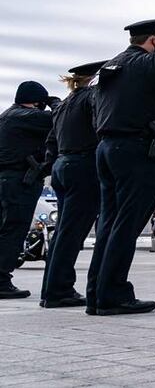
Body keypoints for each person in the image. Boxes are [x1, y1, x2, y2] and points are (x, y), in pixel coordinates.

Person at [90, 18, 155, 316]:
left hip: (108, 147)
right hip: (136, 150)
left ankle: (96, 292)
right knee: (127, 224)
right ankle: (113, 294)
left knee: (110, 223)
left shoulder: (110, 68)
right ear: (154, 40)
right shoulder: (144, 64)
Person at [40, 61, 106, 308]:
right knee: (72, 232)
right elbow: (100, 126)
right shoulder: (91, 98)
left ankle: (51, 288)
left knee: (63, 231)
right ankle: (60, 290)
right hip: (83, 165)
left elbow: (51, 142)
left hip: (62, 165)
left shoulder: (64, 104)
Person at [0, 81, 59, 299]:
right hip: (18, 181)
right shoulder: (26, 116)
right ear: (37, 101)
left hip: (7, 179)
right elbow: (58, 118)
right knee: (13, 229)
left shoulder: (8, 115)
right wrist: (56, 103)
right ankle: (1, 280)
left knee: (5, 228)